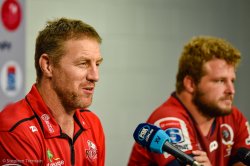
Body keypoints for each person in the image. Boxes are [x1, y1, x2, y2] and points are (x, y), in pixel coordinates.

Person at [128, 36, 250, 166]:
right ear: (191, 83)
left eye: (232, 81)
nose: (231, 90)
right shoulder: (168, 120)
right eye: (220, 81)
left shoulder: (234, 118)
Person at [0, 17, 105, 166]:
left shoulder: (93, 124)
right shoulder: (15, 129)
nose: (95, 76)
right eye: (83, 63)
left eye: (97, 64)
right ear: (48, 65)